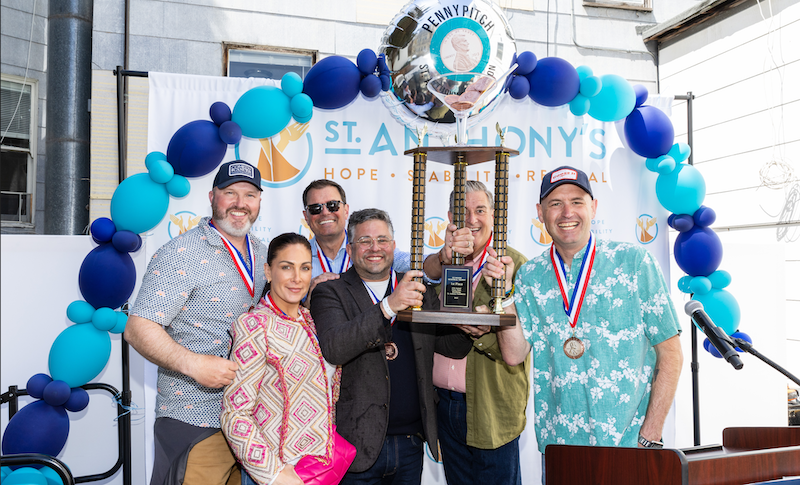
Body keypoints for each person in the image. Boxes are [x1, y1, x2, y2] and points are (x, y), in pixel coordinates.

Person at [496, 166, 683, 475]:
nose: (567, 212)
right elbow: (514, 354)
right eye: (555, 203)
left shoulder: (634, 263)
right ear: (540, 213)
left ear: (594, 207)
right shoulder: (530, 275)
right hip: (561, 451)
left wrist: (649, 438)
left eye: (577, 201)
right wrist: (504, 296)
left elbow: (671, 354)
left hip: (628, 447)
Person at [125, 160, 268, 485]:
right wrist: (193, 364)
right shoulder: (181, 253)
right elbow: (138, 328)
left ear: (259, 202)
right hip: (195, 419)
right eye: (230, 193)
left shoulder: (262, 253)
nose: (240, 203)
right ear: (212, 196)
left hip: (251, 423)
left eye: (250, 194)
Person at [309, 208, 474, 485]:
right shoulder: (330, 292)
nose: (375, 248)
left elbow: (452, 347)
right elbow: (335, 347)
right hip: (354, 447)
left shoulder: (418, 288)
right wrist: (388, 306)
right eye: (365, 241)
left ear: (394, 246)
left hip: (411, 445)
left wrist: (471, 326)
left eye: (382, 240)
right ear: (350, 249)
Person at [422, 180, 529, 485]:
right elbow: (418, 276)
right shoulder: (443, 261)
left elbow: (525, 343)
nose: (471, 219)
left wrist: (485, 331)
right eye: (462, 211)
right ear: (449, 217)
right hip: (444, 405)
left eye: (480, 210)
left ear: (494, 215)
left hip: (490, 405)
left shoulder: (514, 265)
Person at [221, 233, 338, 485]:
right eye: (286, 267)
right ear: (268, 271)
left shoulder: (313, 321)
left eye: (305, 268)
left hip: (321, 470)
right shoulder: (255, 326)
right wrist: (275, 474)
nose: (297, 278)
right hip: (279, 473)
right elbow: (235, 414)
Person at [301, 179, 473, 305]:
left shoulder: (376, 251)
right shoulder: (297, 258)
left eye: (332, 205)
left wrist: (442, 258)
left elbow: (417, 265)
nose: (325, 213)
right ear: (306, 216)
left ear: (345, 210)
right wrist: (309, 302)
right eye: (315, 208)